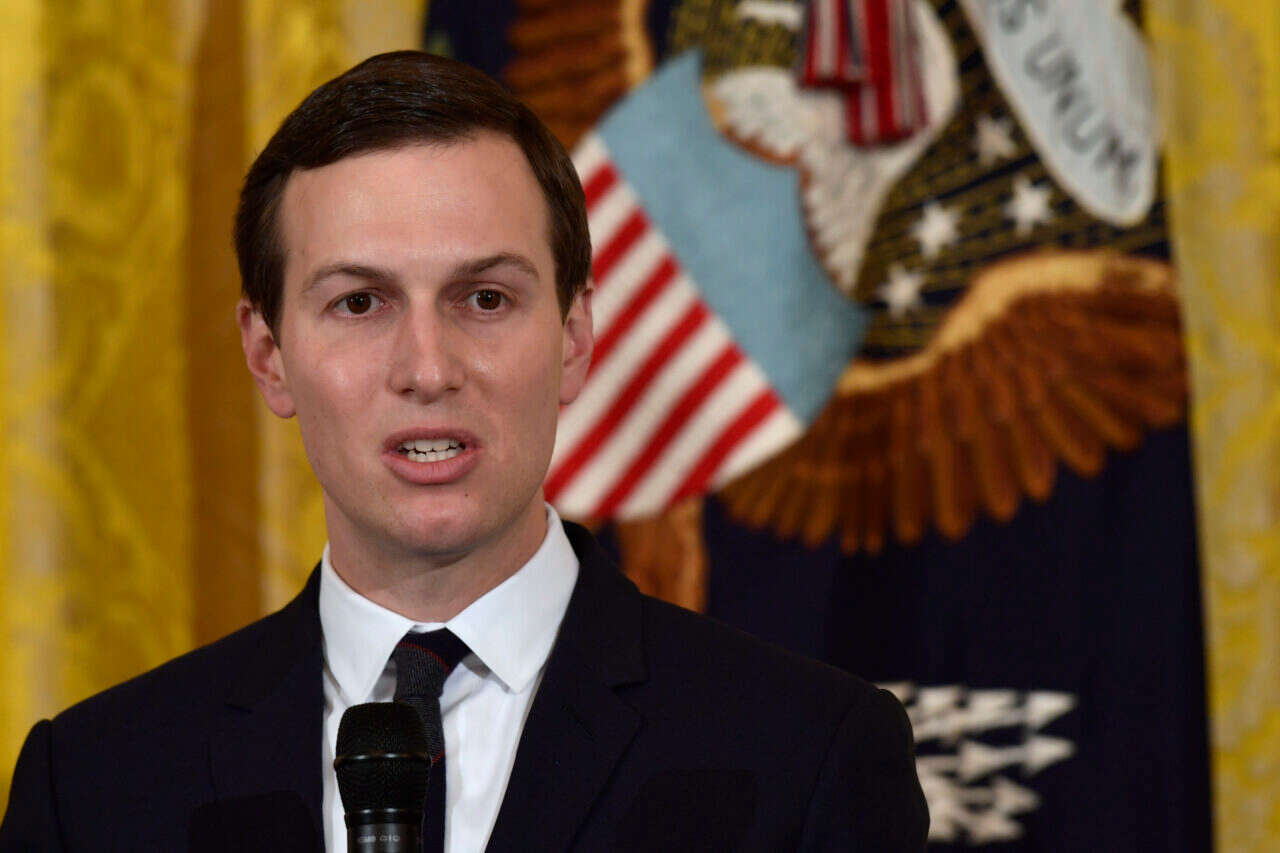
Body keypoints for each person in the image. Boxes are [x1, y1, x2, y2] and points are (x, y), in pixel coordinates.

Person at [0, 51, 927, 851]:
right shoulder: (92, 786)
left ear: (574, 336)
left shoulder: (811, 753)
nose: (428, 369)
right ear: (268, 353)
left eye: (485, 298)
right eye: (359, 302)